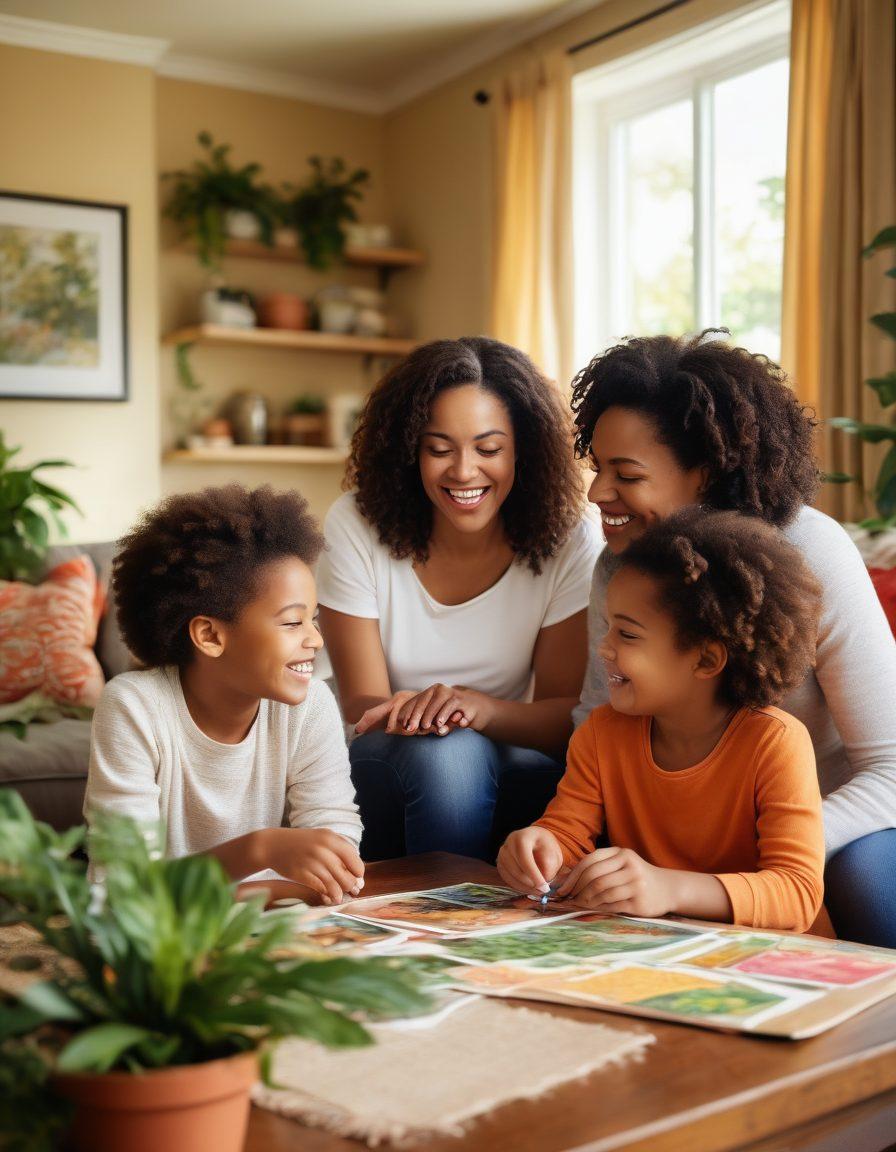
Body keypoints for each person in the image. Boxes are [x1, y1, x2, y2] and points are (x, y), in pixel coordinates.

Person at [569, 331, 896, 946]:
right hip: (687, 847)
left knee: (864, 879)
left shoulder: (812, 553)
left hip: (830, 829)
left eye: (627, 474)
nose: (597, 494)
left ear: (706, 473)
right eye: (597, 468)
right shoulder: (622, 563)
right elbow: (599, 726)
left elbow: (893, 769)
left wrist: (746, 861)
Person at [317, 337, 602, 862]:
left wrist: (477, 710)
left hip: (514, 758)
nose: (464, 472)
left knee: (464, 752)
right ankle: (453, 919)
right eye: (439, 449)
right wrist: (420, 715)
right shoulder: (356, 524)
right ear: (409, 451)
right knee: (447, 755)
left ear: (524, 450)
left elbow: (565, 719)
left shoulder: (571, 538)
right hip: (385, 759)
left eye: (488, 450)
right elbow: (360, 706)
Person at [499, 508, 827, 933]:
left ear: (706, 659)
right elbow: (566, 835)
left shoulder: (775, 742)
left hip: (776, 964)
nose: (604, 648)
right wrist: (538, 849)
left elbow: (796, 894)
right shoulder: (602, 733)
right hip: (656, 951)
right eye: (607, 627)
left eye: (628, 634)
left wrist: (669, 889)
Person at [85, 484, 363, 906]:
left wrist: (275, 883)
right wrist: (261, 851)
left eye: (314, 619)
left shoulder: (311, 705)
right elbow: (122, 893)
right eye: (292, 623)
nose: (316, 640)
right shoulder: (134, 707)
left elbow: (334, 854)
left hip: (267, 925)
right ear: (210, 635)